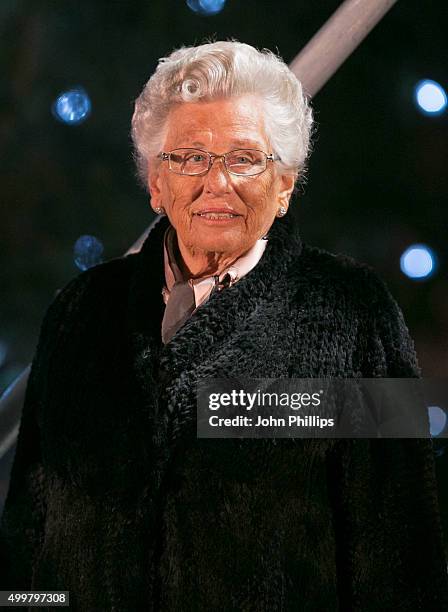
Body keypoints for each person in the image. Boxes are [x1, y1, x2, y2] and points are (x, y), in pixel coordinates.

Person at [1, 40, 447, 611]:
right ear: (155, 184)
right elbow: (26, 538)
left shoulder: (356, 313)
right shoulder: (79, 311)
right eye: (189, 157)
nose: (217, 182)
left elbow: (404, 556)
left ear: (284, 186)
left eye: (244, 158)